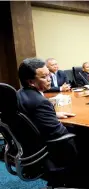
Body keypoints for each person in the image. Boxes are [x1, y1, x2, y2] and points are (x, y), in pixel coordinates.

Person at [17, 58, 77, 187]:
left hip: (30, 147)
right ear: (31, 82)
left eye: (49, 74)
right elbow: (59, 134)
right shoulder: (41, 102)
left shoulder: (20, 93)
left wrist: (53, 115)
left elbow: (30, 115)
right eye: (44, 77)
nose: (50, 78)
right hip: (50, 149)